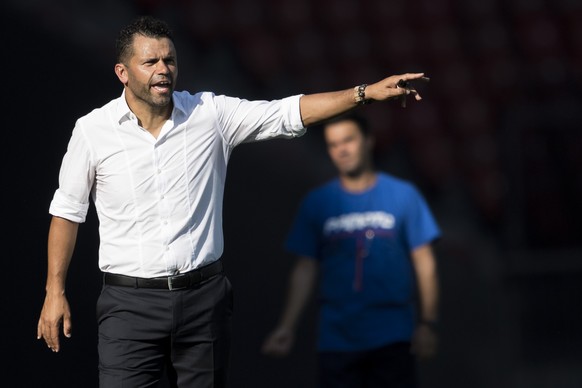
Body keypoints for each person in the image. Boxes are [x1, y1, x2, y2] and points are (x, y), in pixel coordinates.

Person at [36, 15, 427, 388]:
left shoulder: (211, 114)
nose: (163, 69)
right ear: (123, 72)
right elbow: (67, 214)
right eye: (150, 61)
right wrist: (56, 292)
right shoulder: (92, 132)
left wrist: (366, 93)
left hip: (202, 301)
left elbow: (288, 112)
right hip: (129, 305)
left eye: (169, 60)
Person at [261, 113, 441, 388]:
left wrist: (427, 322)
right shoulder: (318, 203)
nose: (341, 150)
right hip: (337, 338)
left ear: (368, 141)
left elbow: (424, 262)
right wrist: (287, 326)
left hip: (393, 335)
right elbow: (305, 267)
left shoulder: (404, 196)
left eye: (348, 140)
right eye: (333, 144)